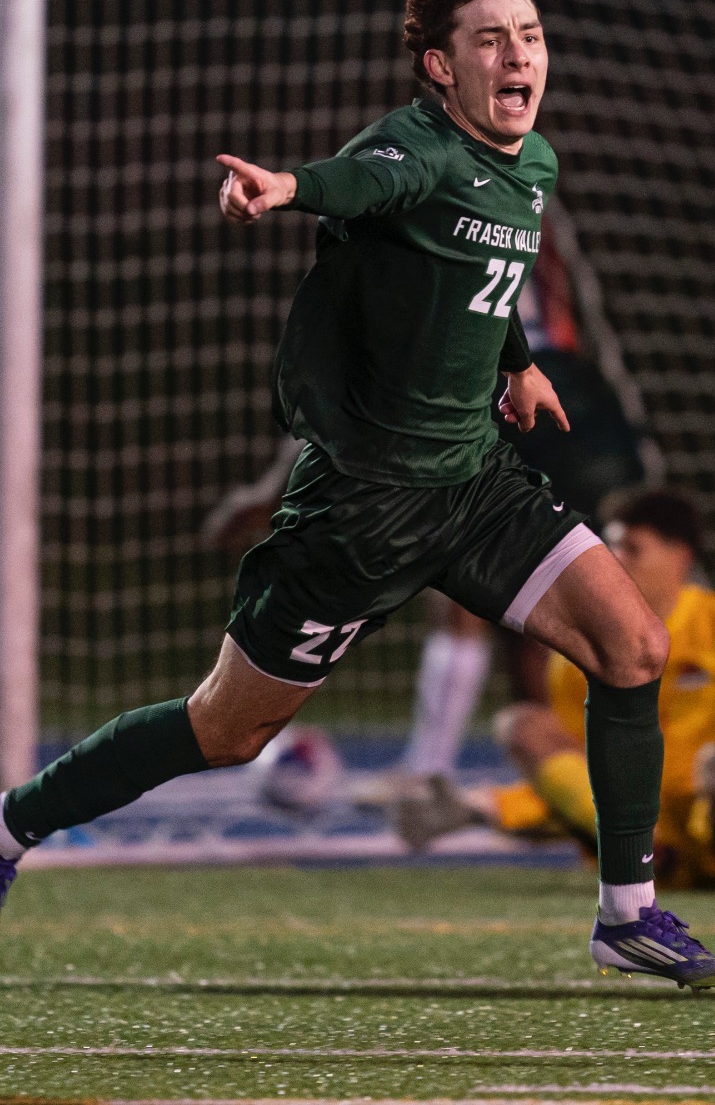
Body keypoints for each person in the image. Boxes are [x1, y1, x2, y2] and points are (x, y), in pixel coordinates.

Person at [0, 0, 715, 992]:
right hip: (360, 508)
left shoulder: (533, 162)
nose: (518, 55)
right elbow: (361, 183)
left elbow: (482, 269)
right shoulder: (411, 146)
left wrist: (516, 363)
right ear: (439, 68)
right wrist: (286, 187)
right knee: (224, 728)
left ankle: (626, 915)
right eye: (491, 40)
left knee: (633, 645)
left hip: (473, 485)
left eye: (530, 35)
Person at [201, 233, 647, 797]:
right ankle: (568, 774)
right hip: (574, 400)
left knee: (459, 589)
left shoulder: (404, 228)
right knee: (543, 600)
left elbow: (352, 383)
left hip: (481, 385)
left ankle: (428, 772)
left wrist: (267, 491)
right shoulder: (527, 212)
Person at [396, 487, 715, 896]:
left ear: (679, 556)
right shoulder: (577, 650)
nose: (614, 558)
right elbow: (579, 778)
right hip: (643, 842)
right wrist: (486, 808)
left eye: (632, 547)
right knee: (523, 725)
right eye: (611, 545)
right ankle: (643, 849)